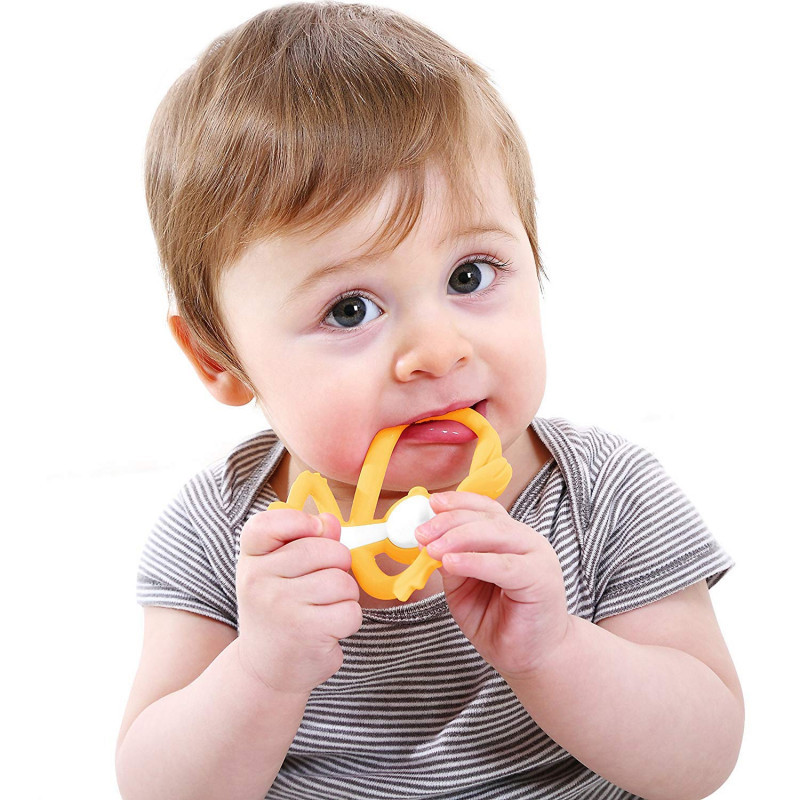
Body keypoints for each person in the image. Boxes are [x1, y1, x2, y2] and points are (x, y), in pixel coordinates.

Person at [116, 3, 744, 798]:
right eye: (350, 310)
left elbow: (703, 759)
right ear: (220, 359)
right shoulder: (225, 534)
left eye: (469, 275)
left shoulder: (608, 498)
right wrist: (261, 672)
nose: (439, 350)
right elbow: (158, 788)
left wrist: (554, 651)